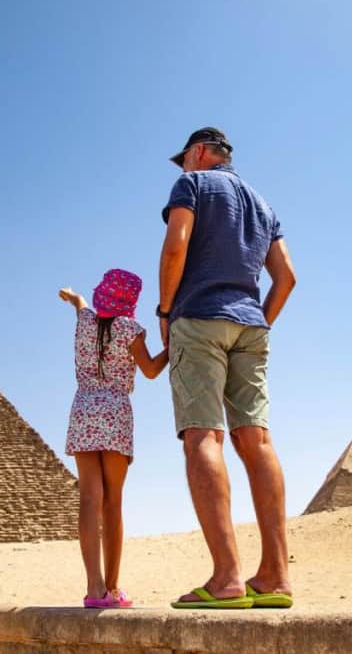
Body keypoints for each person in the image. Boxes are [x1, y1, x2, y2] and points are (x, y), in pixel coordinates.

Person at [158, 127, 297, 609]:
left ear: (198, 152)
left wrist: (164, 312)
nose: (183, 167)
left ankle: (226, 578)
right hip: (250, 325)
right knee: (257, 440)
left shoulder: (192, 184)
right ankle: (275, 576)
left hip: (199, 317)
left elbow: (175, 246)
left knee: (203, 436)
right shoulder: (262, 204)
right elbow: (287, 277)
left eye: (184, 158)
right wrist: (260, 321)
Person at [59, 269, 168, 608]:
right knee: (113, 502)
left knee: (89, 498)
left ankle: (94, 588)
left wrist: (73, 296)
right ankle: (114, 588)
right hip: (115, 413)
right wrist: (172, 346)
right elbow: (150, 370)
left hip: (83, 410)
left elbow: (81, 304)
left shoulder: (85, 322)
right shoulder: (129, 329)